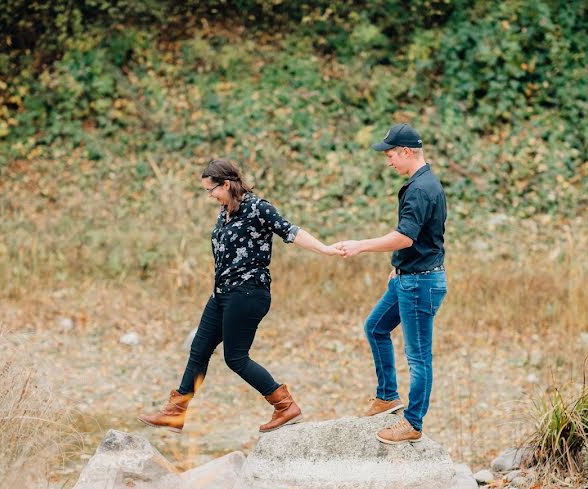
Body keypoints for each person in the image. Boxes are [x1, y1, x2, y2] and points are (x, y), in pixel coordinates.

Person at [139, 159, 340, 434]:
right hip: (222, 293)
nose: (210, 196)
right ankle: (175, 411)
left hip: (248, 292)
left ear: (227, 184)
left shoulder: (257, 207)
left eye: (212, 190)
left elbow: (290, 231)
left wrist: (326, 249)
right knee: (199, 349)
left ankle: (285, 406)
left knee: (236, 358)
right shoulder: (225, 211)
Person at [336, 123, 448, 445]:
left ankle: (412, 423)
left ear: (406, 152)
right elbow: (428, 238)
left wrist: (360, 245)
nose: (388, 161)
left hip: (419, 284)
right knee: (375, 327)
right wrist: (397, 266)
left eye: (390, 155)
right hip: (408, 277)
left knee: (418, 357)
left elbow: (405, 236)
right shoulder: (423, 184)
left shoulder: (421, 189)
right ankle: (387, 396)